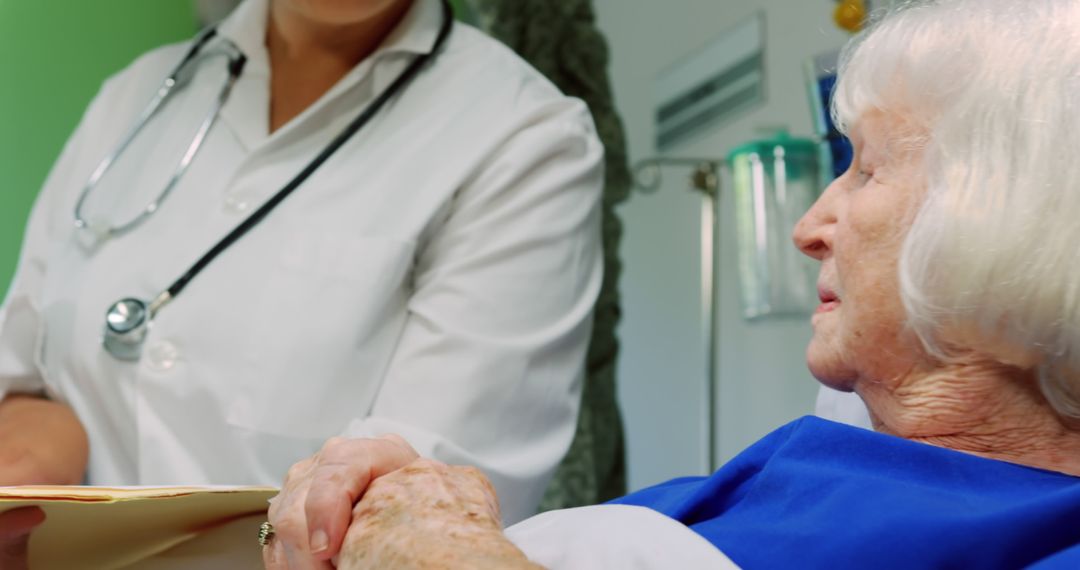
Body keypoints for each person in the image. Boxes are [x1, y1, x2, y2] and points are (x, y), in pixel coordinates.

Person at [263, 0, 1080, 567]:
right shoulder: (828, 466)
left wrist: (430, 543)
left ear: (1014, 220)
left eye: (864, 171)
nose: (808, 229)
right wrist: (391, 491)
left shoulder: (1028, 532)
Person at [0, 0, 602, 529]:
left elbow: (421, 510)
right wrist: (38, 439)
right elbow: (24, 372)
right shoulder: (133, 97)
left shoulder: (525, 138)